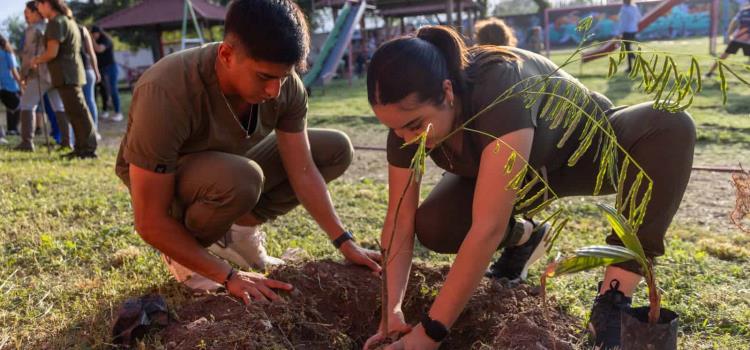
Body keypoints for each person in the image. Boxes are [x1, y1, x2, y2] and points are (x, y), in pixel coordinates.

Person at [363, 26, 695, 349]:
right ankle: (525, 236)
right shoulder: (405, 126)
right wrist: (391, 309)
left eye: (415, 126)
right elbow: (399, 221)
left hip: (585, 153)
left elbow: (487, 228)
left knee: (670, 122)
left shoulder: (499, 83)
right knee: (436, 226)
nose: (407, 140)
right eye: (395, 131)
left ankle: (613, 301)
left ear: (448, 92)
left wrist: (431, 332)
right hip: (514, 177)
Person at [115, 0, 381, 301]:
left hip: (230, 170)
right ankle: (187, 255)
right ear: (226, 55)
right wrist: (228, 277)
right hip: (169, 183)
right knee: (243, 178)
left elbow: (303, 170)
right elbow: (149, 218)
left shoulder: (284, 86)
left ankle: (239, 237)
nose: (274, 91)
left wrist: (344, 241)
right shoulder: (165, 90)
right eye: (265, 77)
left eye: (284, 76)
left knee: (334, 149)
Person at [33, 0, 97, 158]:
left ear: (47, 4)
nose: (39, 10)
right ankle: (81, 147)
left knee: (78, 111)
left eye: (39, 5)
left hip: (66, 74)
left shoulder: (56, 22)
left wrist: (37, 60)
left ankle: (88, 148)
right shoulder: (68, 20)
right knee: (75, 111)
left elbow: (52, 52)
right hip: (70, 72)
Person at [15, 1, 66, 152]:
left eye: (28, 13)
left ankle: (27, 142)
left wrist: (23, 74)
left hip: (39, 73)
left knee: (27, 104)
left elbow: (28, 54)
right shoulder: (51, 25)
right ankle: (67, 140)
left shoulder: (33, 30)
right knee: (59, 106)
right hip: (55, 73)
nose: (26, 16)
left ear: (36, 12)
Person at [706, 4, 750, 77]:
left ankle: (709, 73)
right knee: (724, 56)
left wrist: (729, 34)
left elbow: (733, 22)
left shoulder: (743, 11)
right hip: (746, 40)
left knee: (723, 56)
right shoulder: (743, 11)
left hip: (738, 38)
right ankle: (709, 73)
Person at [90, 25, 122, 122]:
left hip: (111, 67)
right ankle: (105, 111)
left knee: (113, 89)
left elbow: (99, 49)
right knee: (103, 90)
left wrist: (90, 40)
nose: (92, 36)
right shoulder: (96, 40)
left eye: (93, 34)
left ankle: (118, 112)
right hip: (101, 68)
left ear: (98, 33)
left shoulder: (105, 39)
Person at [78, 24, 101, 139]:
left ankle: (88, 131)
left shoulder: (66, 28)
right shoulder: (83, 29)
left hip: (79, 71)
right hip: (88, 69)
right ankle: (94, 130)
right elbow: (92, 53)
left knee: (84, 102)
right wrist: (96, 71)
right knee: (90, 100)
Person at [0, 34, 22, 139]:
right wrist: (21, 84)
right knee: (20, 105)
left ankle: (10, 129)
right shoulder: (8, 53)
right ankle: (13, 129)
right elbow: (14, 71)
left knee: (10, 107)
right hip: (10, 85)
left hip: (2, 86)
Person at [618, 0, 642, 73]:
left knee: (627, 49)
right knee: (628, 48)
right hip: (634, 30)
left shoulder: (624, 9)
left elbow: (623, 22)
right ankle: (635, 62)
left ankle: (631, 67)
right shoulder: (634, 7)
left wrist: (620, 32)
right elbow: (639, 17)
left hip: (626, 31)